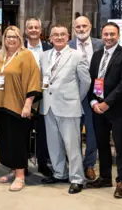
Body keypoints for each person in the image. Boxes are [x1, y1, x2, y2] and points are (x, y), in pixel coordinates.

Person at [85, 22, 122, 198]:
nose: (108, 37)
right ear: (101, 34)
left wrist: (107, 103)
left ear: (118, 35)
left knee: (120, 146)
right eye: (106, 34)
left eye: (112, 34)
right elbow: (92, 81)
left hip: (117, 110)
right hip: (97, 108)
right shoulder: (97, 55)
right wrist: (93, 102)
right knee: (102, 144)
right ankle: (105, 177)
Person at [40, 24, 91, 194]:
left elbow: (86, 82)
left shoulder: (77, 55)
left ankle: (77, 178)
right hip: (48, 106)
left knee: (72, 145)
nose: (59, 37)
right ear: (50, 38)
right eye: (55, 35)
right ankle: (59, 173)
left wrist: (76, 98)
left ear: (68, 37)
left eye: (62, 34)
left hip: (69, 106)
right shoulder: (44, 56)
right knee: (53, 144)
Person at [0, 26, 42, 192]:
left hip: (18, 107)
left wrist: (28, 104)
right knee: (6, 142)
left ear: (20, 38)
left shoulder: (26, 55)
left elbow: (34, 79)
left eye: (14, 37)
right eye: (8, 37)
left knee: (18, 142)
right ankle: (13, 170)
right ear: (4, 39)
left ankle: (20, 176)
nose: (11, 39)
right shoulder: (0, 56)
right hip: (1, 106)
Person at [68, 16, 103, 181]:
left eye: (84, 26)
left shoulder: (100, 45)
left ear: (90, 26)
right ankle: (74, 165)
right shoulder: (67, 46)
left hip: (94, 96)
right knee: (72, 133)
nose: (81, 29)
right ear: (73, 28)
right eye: (78, 26)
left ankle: (89, 165)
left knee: (92, 132)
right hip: (72, 96)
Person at [23, 17, 53, 177]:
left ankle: (43, 163)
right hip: (24, 97)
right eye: (30, 27)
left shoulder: (49, 48)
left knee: (43, 131)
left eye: (36, 27)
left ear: (41, 31)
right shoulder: (20, 49)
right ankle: (23, 164)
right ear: (26, 30)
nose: (33, 30)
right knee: (24, 131)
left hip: (45, 96)